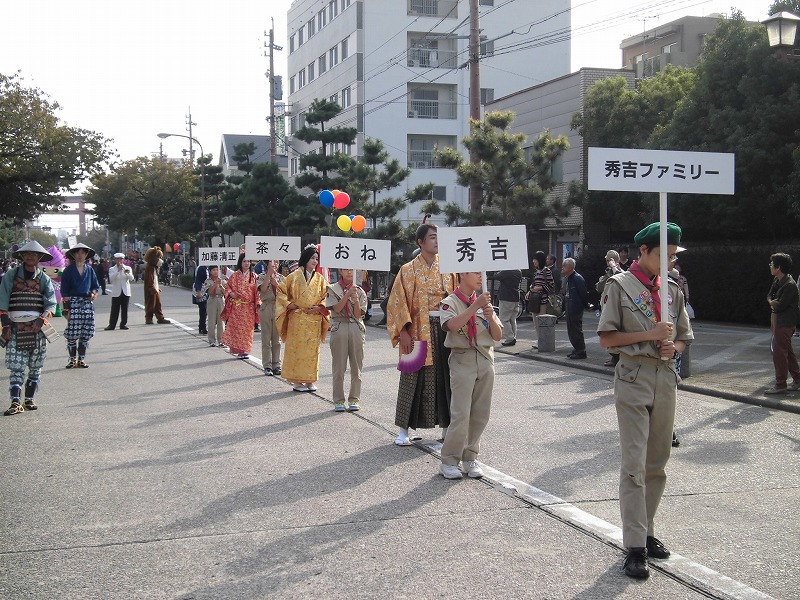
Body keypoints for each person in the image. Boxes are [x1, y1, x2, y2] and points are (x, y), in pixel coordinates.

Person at [597, 221, 693, 580]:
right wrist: (650, 334)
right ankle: (634, 545)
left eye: (673, 257)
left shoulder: (671, 290)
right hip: (634, 376)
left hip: (665, 377)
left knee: (658, 462)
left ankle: (648, 530)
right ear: (643, 251)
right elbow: (607, 339)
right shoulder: (619, 287)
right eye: (663, 256)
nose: (669, 263)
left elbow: (684, 336)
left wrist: (674, 346)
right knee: (635, 463)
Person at [386, 224, 458, 446]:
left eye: (438, 237)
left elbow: (457, 297)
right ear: (420, 242)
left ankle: (447, 429)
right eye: (432, 237)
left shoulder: (448, 268)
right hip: (416, 329)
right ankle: (403, 430)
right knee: (412, 378)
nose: (437, 241)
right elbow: (396, 301)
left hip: (444, 328)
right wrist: (403, 331)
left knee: (446, 378)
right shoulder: (407, 270)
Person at [438, 272, 503, 479]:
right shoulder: (450, 302)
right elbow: (451, 326)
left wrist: (490, 315)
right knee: (461, 413)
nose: (479, 277)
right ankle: (449, 460)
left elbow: (498, 335)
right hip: (462, 358)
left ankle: (470, 456)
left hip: (485, 357)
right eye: (475, 272)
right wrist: (475, 307)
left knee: (480, 413)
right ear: (463, 274)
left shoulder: (484, 302)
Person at [0, 241, 57, 416]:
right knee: (17, 366)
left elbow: (51, 302)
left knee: (35, 365)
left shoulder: (44, 279)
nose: (31, 257)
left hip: (36, 327)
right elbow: (3, 299)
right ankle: (15, 402)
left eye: (34, 254)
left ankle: (29, 399)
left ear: (39, 258)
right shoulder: (11, 275)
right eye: (27, 254)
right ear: (23, 257)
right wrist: (5, 323)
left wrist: (42, 319)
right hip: (15, 326)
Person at [276, 245, 330, 392]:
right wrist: (288, 304)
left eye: (317, 259)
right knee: (297, 350)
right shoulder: (293, 277)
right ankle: (297, 381)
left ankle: (310, 380)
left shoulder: (320, 279)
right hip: (297, 318)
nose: (315, 261)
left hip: (314, 319)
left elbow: (327, 296)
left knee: (312, 351)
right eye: (312, 258)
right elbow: (280, 290)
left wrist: (320, 307)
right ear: (305, 259)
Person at [326, 268, 368, 411]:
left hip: (356, 326)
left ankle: (354, 399)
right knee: (339, 366)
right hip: (339, 326)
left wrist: (355, 300)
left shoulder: (360, 291)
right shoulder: (332, 288)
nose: (349, 273)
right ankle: (338, 400)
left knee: (357, 366)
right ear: (340, 271)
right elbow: (336, 309)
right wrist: (347, 295)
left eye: (351, 270)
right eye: (346, 270)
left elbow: (358, 315)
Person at [61, 243, 101, 369]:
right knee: (72, 332)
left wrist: (94, 294)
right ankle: (72, 359)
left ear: (86, 255)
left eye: (83, 253)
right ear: (73, 255)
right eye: (77, 252)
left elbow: (95, 286)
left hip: (87, 303)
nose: (80, 255)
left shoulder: (90, 270)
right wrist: (66, 309)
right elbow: (64, 291)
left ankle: (81, 359)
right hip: (73, 303)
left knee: (86, 332)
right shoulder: (68, 270)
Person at [765, 253, 800, 394]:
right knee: (787, 352)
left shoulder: (790, 285)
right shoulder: (777, 280)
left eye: (772, 264)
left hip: (784, 322)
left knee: (779, 353)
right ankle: (797, 379)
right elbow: (769, 296)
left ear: (778, 267)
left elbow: (780, 306)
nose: (770, 266)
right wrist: (772, 302)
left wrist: (773, 303)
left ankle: (780, 384)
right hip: (777, 320)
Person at [220, 254, 260, 359]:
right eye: (244, 261)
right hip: (237, 307)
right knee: (237, 329)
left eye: (248, 261)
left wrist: (258, 304)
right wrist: (230, 293)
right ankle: (238, 349)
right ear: (240, 263)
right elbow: (228, 287)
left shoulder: (254, 276)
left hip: (249, 307)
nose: (246, 263)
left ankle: (245, 350)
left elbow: (257, 292)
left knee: (247, 330)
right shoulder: (235, 275)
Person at [596, 250, 623, 367]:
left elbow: (621, 280)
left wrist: (613, 269)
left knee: (614, 332)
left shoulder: (621, 273)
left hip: (616, 308)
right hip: (606, 306)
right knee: (606, 331)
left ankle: (617, 357)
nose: (608, 263)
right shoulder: (607, 273)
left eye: (609, 260)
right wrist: (607, 274)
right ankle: (613, 356)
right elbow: (598, 288)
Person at [259, 260, 284, 376]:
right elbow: (262, 290)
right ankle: (267, 365)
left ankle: (276, 365)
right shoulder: (261, 276)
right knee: (266, 338)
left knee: (276, 339)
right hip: (266, 307)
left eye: (277, 262)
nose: (275, 264)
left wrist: (276, 285)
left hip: (278, 307)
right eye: (272, 262)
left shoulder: (281, 278)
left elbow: (285, 293)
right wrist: (269, 275)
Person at [526, 251, 555, 350]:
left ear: (540, 260)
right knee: (535, 322)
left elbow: (551, 286)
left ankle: (542, 341)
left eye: (535, 259)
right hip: (534, 301)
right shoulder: (536, 272)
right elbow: (533, 284)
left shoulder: (546, 271)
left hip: (542, 301)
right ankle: (539, 340)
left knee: (541, 322)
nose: (534, 261)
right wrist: (530, 291)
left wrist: (540, 288)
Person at [561, 257, 589, 359]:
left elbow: (583, 294)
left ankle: (581, 351)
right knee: (570, 329)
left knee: (576, 329)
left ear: (570, 267)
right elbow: (566, 294)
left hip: (575, 306)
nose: (562, 268)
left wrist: (585, 305)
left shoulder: (577, 278)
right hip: (569, 304)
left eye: (564, 266)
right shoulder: (568, 278)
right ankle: (576, 348)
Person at [105, 253, 134, 330]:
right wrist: (118, 271)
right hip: (116, 291)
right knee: (114, 309)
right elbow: (111, 279)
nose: (119, 261)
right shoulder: (112, 269)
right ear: (115, 260)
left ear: (123, 260)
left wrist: (126, 273)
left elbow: (131, 278)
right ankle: (112, 325)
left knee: (125, 309)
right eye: (117, 259)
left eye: (121, 259)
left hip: (126, 291)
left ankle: (123, 324)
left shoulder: (128, 268)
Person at [494, 268, 521, 347]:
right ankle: (513, 337)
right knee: (512, 319)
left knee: (504, 319)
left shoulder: (507, 271)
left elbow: (496, 276)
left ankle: (510, 338)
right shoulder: (518, 271)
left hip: (506, 298)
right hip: (516, 297)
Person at [202, 265, 227, 347]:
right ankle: (212, 340)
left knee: (221, 321)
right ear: (210, 271)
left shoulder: (222, 280)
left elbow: (225, 292)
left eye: (217, 270)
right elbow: (210, 292)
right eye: (213, 270)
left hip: (221, 299)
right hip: (212, 300)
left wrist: (220, 285)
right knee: (211, 321)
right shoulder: (208, 280)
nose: (216, 271)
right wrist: (215, 283)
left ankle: (221, 340)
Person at [194, 264, 209, 335]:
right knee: (203, 309)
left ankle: (202, 327)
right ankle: (202, 327)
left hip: (207, 291)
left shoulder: (207, 267)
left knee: (205, 310)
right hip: (202, 291)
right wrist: (199, 291)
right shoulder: (201, 268)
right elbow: (198, 280)